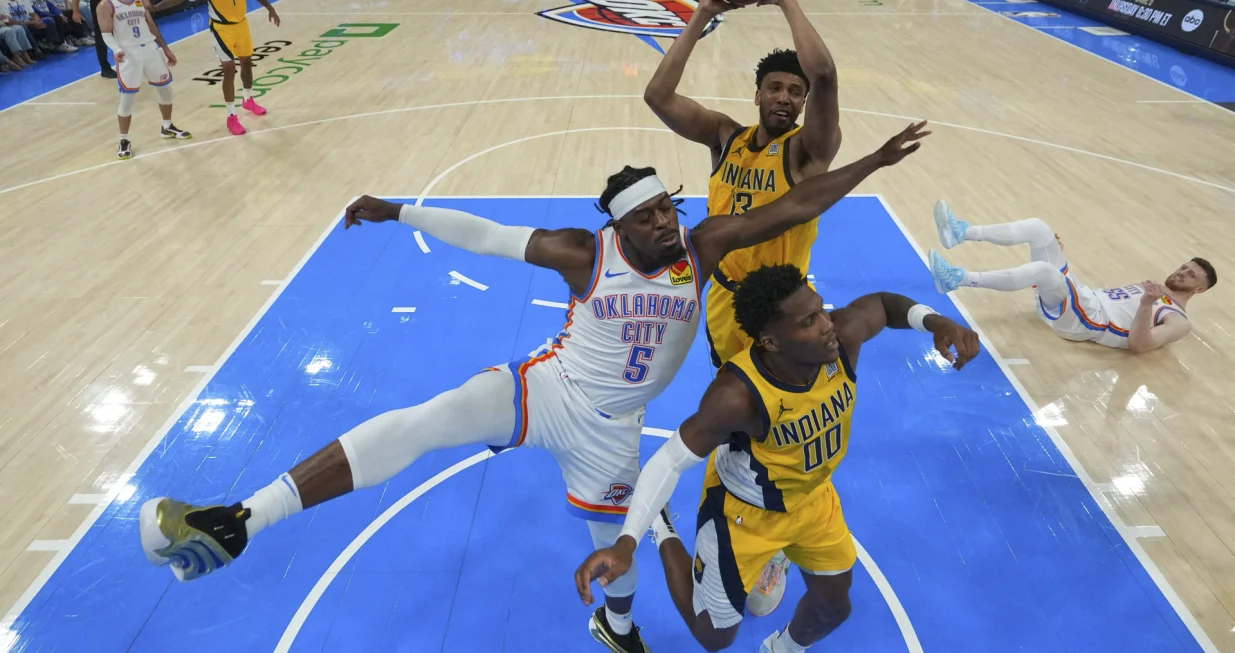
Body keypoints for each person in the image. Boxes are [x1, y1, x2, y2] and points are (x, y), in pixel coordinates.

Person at [138, 123, 928, 653]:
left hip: (614, 429)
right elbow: (481, 235)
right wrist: (399, 209)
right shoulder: (581, 253)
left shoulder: (702, 244)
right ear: (616, 226)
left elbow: (798, 202)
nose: (664, 220)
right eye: (647, 215)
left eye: (666, 207)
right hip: (546, 388)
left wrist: (872, 163)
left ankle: (615, 629)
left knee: (610, 561)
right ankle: (243, 517)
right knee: (422, 421)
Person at [574, 264, 981, 653]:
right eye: (808, 322)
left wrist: (935, 321)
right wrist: (626, 543)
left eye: (820, 309)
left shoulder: (841, 339)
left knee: (835, 607)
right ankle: (664, 529)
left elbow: (882, 304)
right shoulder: (736, 396)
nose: (826, 325)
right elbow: (667, 461)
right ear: (770, 342)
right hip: (744, 515)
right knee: (714, 638)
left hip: (812, 500)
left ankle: (782, 648)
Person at [643, 0, 846, 615]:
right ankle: (741, 522)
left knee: (783, 421)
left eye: (796, 91)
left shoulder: (806, 154)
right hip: (726, 306)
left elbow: (828, 76)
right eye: (776, 87)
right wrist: (703, 12)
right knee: (746, 419)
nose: (787, 97)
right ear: (757, 93)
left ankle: (774, 539)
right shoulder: (725, 139)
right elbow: (658, 94)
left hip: (785, 318)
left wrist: (786, 3)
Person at [927, 200, 1216, 353]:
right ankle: (961, 233)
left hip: (1088, 323)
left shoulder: (1178, 320)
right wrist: (1059, 257)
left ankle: (956, 279)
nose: (1181, 272)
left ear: (1199, 290)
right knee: (1040, 230)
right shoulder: (1152, 287)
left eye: (1190, 275)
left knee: (1044, 271)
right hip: (1083, 301)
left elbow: (1140, 346)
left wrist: (1145, 305)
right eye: (1183, 267)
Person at [97, 0, 190, 159]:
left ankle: (167, 126)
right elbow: (105, 33)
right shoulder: (106, 5)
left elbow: (151, 25)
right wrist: (116, 49)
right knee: (128, 98)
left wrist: (165, 48)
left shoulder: (140, 1)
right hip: (128, 53)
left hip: (149, 49)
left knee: (165, 89)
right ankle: (123, 139)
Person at [206, 0, 279, 135]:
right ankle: (231, 116)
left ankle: (248, 99)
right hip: (221, 29)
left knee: (246, 63)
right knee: (229, 69)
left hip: (241, 25)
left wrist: (270, 8)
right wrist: (157, 7)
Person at [75, 0, 116, 77]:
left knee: (121, 29)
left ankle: (126, 60)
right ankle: (105, 68)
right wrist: (76, 11)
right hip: (98, 3)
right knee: (101, 33)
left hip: (116, 2)